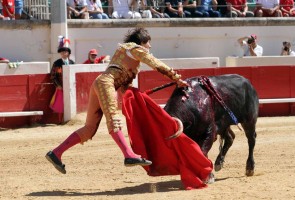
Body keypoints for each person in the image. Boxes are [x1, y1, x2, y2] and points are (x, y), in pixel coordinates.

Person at [45, 28, 188, 174]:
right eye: (148, 43)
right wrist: (176, 78)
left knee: (89, 130)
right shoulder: (135, 48)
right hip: (106, 84)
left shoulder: (128, 56)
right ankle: (128, 155)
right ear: (142, 42)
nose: (149, 47)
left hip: (101, 83)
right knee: (113, 119)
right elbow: (154, 63)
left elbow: (125, 87)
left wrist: (138, 96)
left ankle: (56, 153)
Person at [50, 36, 75, 124]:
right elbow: (53, 76)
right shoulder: (56, 63)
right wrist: (58, 86)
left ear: (68, 53)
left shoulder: (72, 63)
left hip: (71, 88)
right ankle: (60, 121)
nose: (64, 53)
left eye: (65, 51)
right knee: (60, 104)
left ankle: (69, 121)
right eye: (62, 52)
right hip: (60, 87)